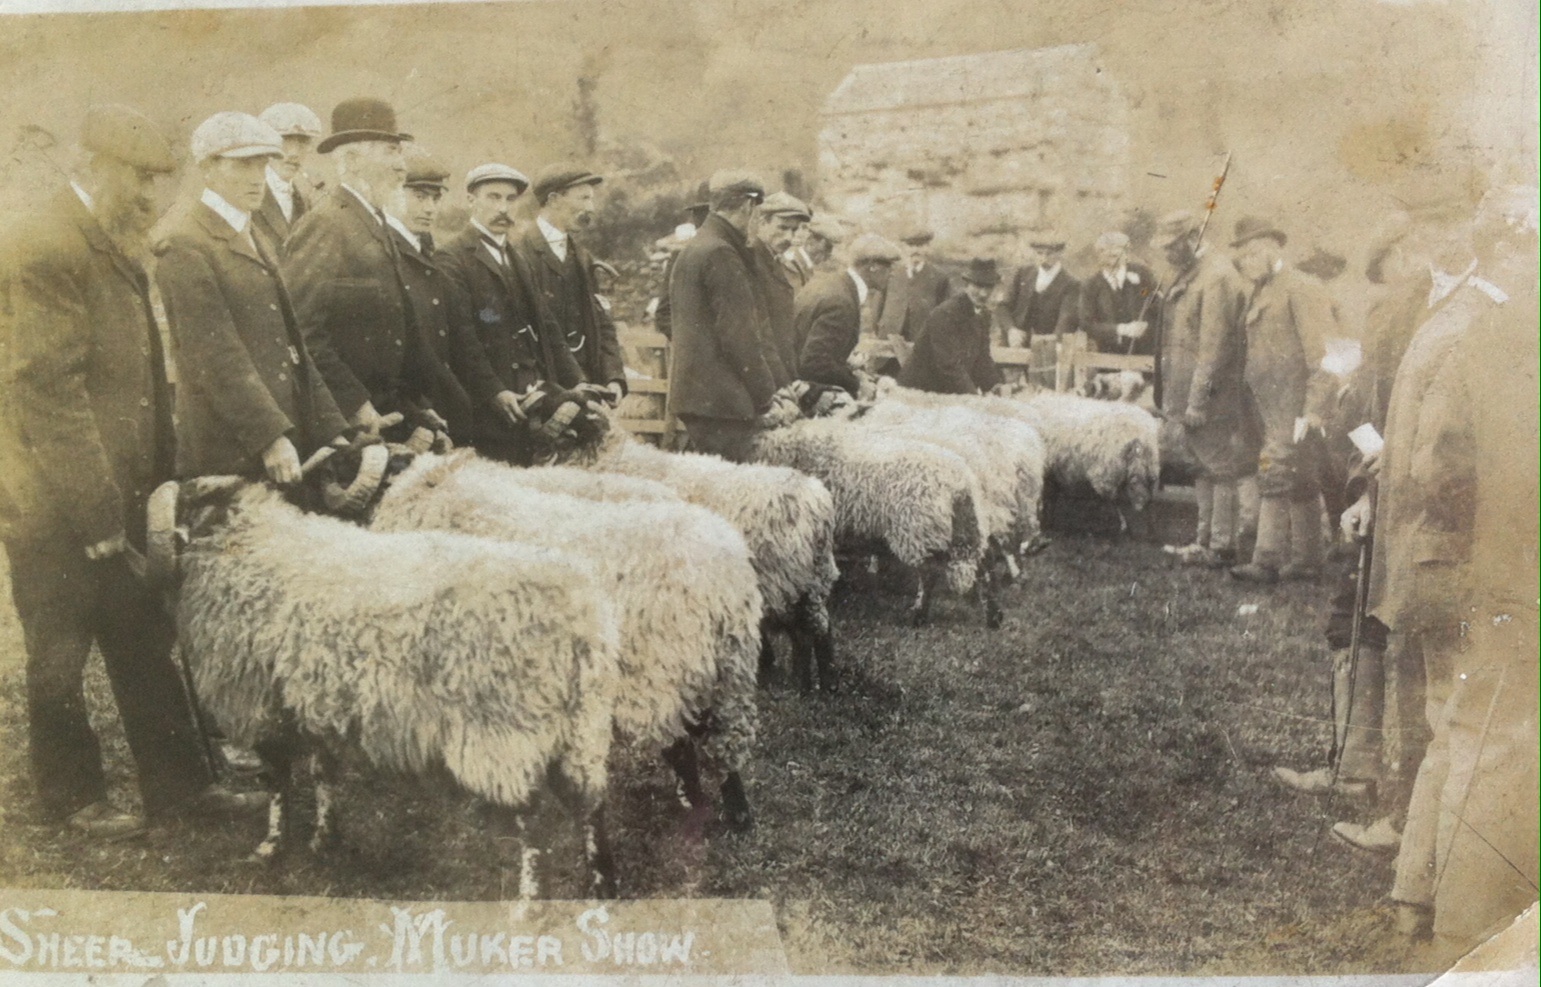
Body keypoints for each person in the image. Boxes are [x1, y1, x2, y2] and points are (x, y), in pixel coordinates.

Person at [0, 105, 264, 839]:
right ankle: (71, 799)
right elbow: (47, 391)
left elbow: (138, 375)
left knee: (142, 638)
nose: (152, 196)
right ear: (97, 168)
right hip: (54, 500)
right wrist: (97, 516)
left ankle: (181, 787)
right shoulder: (45, 244)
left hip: (114, 491)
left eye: (156, 180)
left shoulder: (105, 237)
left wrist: (153, 484)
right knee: (59, 654)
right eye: (140, 180)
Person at [1338, 191, 1533, 943]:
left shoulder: (1451, 320)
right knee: (1476, 736)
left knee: (1450, 731)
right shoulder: (1481, 331)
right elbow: (1441, 468)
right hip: (1457, 563)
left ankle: (1416, 894)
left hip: (1433, 559)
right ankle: (1456, 914)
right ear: (1509, 251)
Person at [1397, 184, 1538, 957]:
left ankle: (1441, 914)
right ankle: (1466, 931)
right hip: (1511, 572)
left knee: (1479, 736)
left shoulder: (1475, 331)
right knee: (1498, 742)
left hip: (1496, 571)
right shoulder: (1493, 331)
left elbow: (1438, 468)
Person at [156, 110, 348, 482]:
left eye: (262, 164)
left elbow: (292, 344)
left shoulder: (251, 233)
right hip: (231, 447)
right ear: (208, 169)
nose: (257, 177)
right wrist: (269, 437)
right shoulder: (186, 242)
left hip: (281, 437)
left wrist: (332, 429)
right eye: (243, 165)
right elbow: (213, 355)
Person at [281, 97, 441, 436]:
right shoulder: (326, 223)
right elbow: (301, 331)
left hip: (388, 413)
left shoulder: (375, 221)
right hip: (348, 424)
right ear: (352, 160)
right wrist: (354, 404)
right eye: (391, 152)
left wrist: (419, 406)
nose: (402, 167)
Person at [436, 162, 580, 462]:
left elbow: (547, 325)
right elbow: (462, 338)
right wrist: (494, 391)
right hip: (486, 409)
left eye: (511, 199)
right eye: (493, 197)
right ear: (471, 200)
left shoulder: (518, 257)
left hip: (532, 401)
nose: (503, 208)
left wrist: (577, 382)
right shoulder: (452, 257)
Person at [1227, 217, 1339, 584]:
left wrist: (1315, 410)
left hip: (1295, 404)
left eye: (1252, 253)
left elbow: (1324, 356)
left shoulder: (1301, 287)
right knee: (1301, 476)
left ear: (1274, 248)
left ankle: (1266, 560)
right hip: (1267, 404)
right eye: (1242, 256)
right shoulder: (1262, 289)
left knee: (1275, 470)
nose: (1246, 262)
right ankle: (1307, 560)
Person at [382, 150, 514, 446]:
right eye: (419, 197)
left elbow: (461, 330)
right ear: (392, 192)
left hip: (435, 398)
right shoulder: (384, 250)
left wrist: (492, 389)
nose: (429, 208)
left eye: (436, 198)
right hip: (403, 404)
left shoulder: (426, 250)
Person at [1153, 210, 1258, 569]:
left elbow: (1214, 348)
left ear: (1193, 237)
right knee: (1201, 466)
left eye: (1172, 245)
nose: (1167, 253)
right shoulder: (1193, 272)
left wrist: (1197, 402)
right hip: (1189, 392)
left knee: (1218, 467)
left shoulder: (1217, 277)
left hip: (1213, 395)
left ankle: (1222, 544)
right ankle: (1204, 540)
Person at [668, 170, 778, 462]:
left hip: (701, 400)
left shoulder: (697, 246)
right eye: (758, 210)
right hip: (724, 403)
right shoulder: (722, 252)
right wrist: (767, 395)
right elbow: (739, 336)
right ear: (748, 205)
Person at [516, 165, 625, 403]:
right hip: (543, 390)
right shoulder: (518, 253)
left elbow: (602, 322)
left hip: (588, 386)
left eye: (591, 199)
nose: (591, 208)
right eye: (583, 198)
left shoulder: (583, 257)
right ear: (554, 200)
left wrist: (614, 378)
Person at [796, 232, 902, 395]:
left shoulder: (834, 284)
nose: (893, 273)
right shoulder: (841, 302)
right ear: (873, 266)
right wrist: (857, 384)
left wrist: (856, 374)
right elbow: (815, 364)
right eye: (889, 266)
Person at [898, 258, 1005, 395]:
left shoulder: (984, 315)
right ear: (967, 284)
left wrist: (995, 386)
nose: (983, 293)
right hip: (918, 391)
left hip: (948, 391)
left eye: (988, 287)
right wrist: (972, 396)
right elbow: (948, 365)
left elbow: (982, 359)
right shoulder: (945, 314)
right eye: (978, 286)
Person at [751, 190, 811, 386]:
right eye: (783, 228)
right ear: (762, 223)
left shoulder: (773, 260)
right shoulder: (753, 262)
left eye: (794, 230)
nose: (789, 237)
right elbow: (760, 335)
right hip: (765, 378)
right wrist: (783, 383)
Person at [252, 102, 323, 246]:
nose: (294, 153)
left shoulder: (305, 201)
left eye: (302, 143)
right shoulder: (247, 196)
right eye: (284, 141)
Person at [1079, 230, 1159, 354]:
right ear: (1098, 255)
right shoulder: (1091, 286)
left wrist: (1146, 326)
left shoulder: (1142, 275)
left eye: (1118, 249)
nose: (1112, 253)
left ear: (1127, 254)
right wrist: (1120, 329)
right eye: (1104, 250)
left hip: (1145, 352)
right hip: (1108, 355)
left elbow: (1152, 300)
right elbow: (1087, 324)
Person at [877, 227, 951, 343]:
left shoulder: (939, 277)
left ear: (928, 247)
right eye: (911, 245)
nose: (915, 250)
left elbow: (944, 312)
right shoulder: (891, 274)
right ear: (904, 247)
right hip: (889, 337)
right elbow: (878, 307)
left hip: (922, 339)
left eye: (920, 246)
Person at [1001, 233, 1079, 342]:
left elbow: (1066, 318)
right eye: (1039, 253)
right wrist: (1011, 329)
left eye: (1049, 254)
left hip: (1048, 343)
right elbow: (1003, 306)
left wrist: (1052, 340)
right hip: (1016, 341)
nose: (1043, 258)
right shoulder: (1023, 273)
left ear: (1059, 254)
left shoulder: (1071, 284)